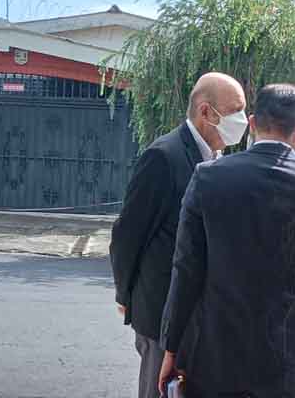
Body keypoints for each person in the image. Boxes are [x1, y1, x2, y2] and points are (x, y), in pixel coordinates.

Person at [157, 84, 295, 397]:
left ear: (251, 123)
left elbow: (186, 270)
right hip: (285, 363)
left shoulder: (207, 178)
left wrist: (171, 348)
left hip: (213, 358)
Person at [109, 72, 250, 398]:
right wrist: (125, 297)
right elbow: (127, 235)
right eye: (235, 110)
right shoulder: (165, 157)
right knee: (161, 391)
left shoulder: (218, 159)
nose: (242, 120)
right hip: (162, 312)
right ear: (205, 112)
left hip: (203, 316)